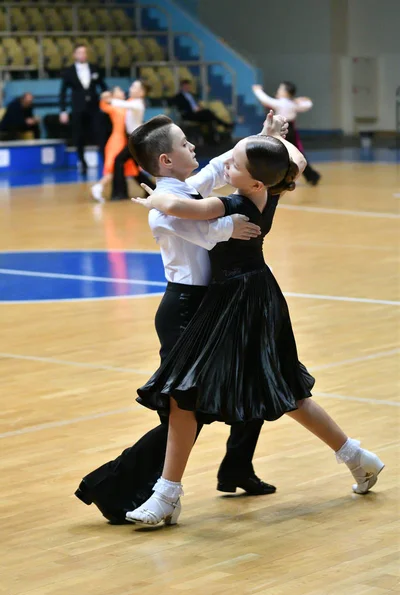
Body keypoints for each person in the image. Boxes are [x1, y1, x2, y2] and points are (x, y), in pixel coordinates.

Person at [126, 117, 384, 527]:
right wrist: (271, 140)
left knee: (214, 395)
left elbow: (184, 206)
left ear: (256, 181)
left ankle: (170, 493)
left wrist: (156, 199)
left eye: (235, 165)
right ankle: (356, 457)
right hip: (230, 300)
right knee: (254, 393)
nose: (221, 165)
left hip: (234, 302)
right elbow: (285, 161)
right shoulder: (267, 188)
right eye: (187, 143)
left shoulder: (229, 203)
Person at [75, 115, 281, 524]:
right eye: (185, 144)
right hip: (185, 308)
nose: (193, 148)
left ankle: (233, 467)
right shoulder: (162, 209)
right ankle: (118, 489)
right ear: (166, 159)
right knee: (187, 410)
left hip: (213, 303)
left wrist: (263, 139)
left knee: (245, 383)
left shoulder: (182, 189)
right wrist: (235, 223)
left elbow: (219, 168)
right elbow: (206, 232)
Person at [252, 81, 321, 185]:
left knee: (279, 153)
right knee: (294, 154)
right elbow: (308, 104)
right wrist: (302, 99)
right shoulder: (292, 103)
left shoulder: (282, 102)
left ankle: (275, 178)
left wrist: (258, 91)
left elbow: (266, 99)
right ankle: (312, 176)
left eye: (280, 89)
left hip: (282, 130)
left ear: (286, 92)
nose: (278, 91)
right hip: (290, 130)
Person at [91, 86, 151, 203]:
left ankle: (118, 191)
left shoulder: (128, 104)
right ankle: (101, 187)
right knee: (116, 166)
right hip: (117, 140)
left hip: (126, 139)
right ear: (114, 95)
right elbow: (104, 105)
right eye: (119, 91)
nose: (124, 91)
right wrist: (105, 98)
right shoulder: (115, 107)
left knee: (129, 167)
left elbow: (129, 104)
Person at [59, 43, 108, 174]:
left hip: (94, 108)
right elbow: (63, 92)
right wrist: (63, 110)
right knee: (79, 136)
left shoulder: (94, 68)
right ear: (74, 55)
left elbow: (103, 87)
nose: (82, 55)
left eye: (84, 52)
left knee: (99, 134)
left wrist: (108, 100)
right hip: (77, 108)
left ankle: (105, 163)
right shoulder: (68, 71)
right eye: (79, 52)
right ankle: (83, 162)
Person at [109, 80, 154, 201]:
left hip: (136, 139)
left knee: (118, 160)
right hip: (132, 138)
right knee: (133, 167)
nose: (131, 88)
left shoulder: (138, 104)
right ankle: (152, 189)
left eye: (134, 87)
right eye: (132, 86)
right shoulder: (133, 102)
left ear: (141, 93)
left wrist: (109, 99)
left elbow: (121, 105)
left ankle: (120, 193)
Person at [173, 79, 233, 143]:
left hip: (197, 113)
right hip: (189, 114)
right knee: (208, 113)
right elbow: (181, 108)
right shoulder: (178, 97)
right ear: (181, 87)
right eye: (185, 86)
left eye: (188, 86)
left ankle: (210, 139)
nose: (187, 87)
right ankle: (225, 125)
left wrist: (199, 108)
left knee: (209, 118)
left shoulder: (192, 95)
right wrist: (195, 109)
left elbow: (197, 104)